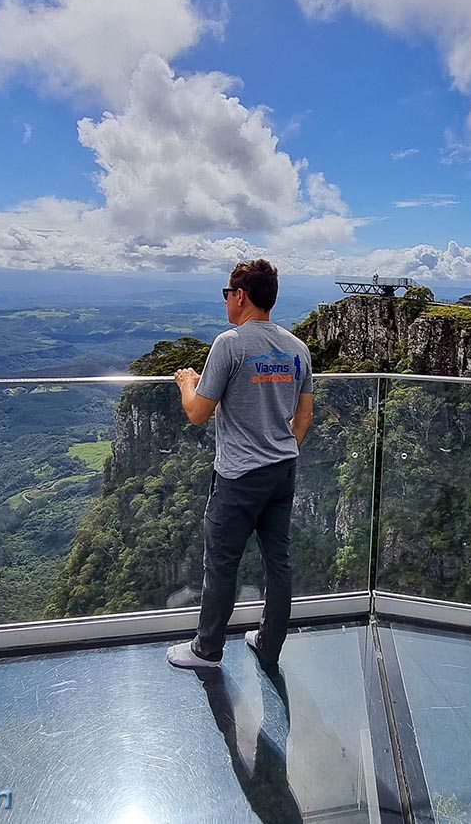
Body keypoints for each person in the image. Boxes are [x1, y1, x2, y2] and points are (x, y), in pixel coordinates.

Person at [167, 259, 314, 670]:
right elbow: (304, 416)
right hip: (283, 470)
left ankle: (207, 649)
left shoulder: (230, 344)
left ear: (240, 296)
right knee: (278, 562)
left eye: (227, 294)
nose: (226, 302)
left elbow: (197, 413)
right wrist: (281, 448)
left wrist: (187, 384)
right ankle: (268, 645)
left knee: (221, 565)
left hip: (238, 477)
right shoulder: (297, 348)